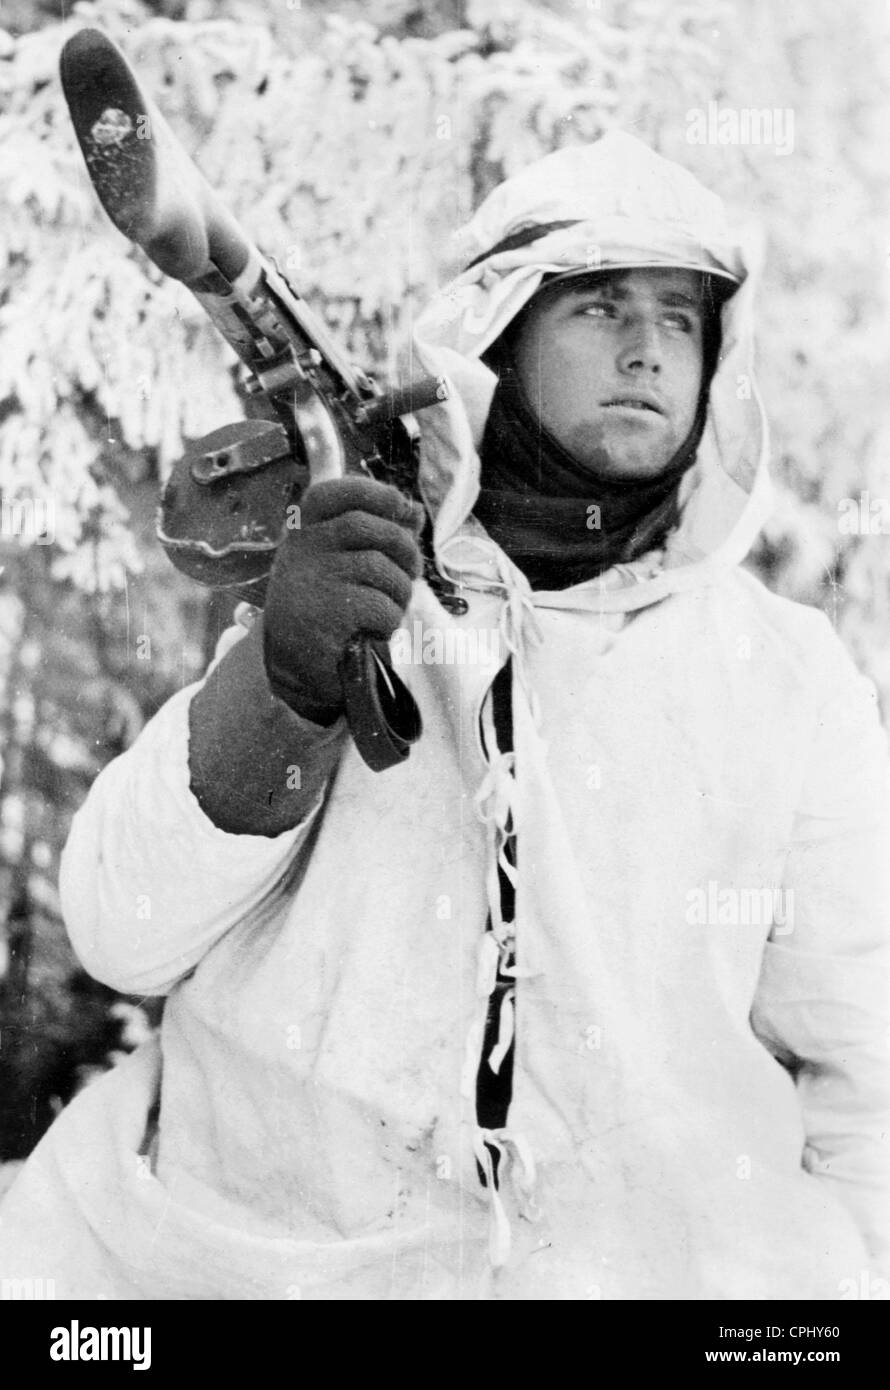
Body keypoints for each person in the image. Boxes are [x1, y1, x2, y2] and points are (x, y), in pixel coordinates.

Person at [1, 131, 888, 1301]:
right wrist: (279, 685)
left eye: (680, 319)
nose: (644, 348)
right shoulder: (359, 572)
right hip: (249, 1265)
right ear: (499, 336)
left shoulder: (781, 674)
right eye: (597, 307)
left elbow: (864, 1057)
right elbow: (123, 928)